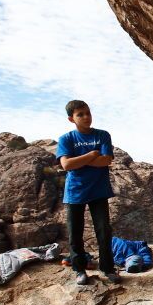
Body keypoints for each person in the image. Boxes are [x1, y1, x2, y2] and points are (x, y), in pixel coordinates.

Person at [56, 100, 121, 286]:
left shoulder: (102, 135)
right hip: (75, 192)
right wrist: (92, 155)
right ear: (71, 119)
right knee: (75, 233)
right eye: (80, 114)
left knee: (103, 230)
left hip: (99, 191)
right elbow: (66, 164)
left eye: (88, 113)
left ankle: (108, 268)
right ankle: (79, 270)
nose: (86, 117)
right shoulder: (66, 139)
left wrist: (80, 161)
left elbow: (106, 160)